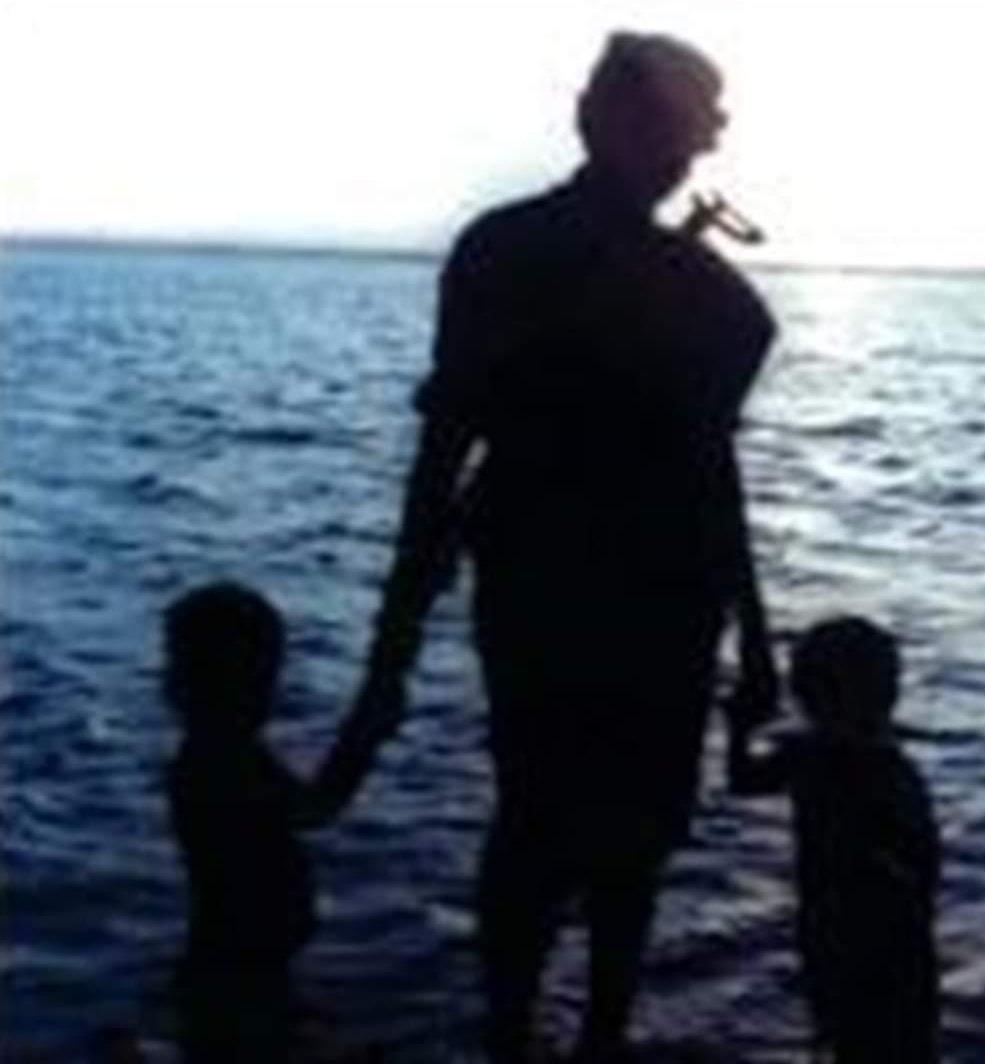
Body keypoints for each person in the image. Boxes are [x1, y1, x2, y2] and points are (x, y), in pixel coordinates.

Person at [362, 31, 779, 1062]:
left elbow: (707, 465)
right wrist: (395, 636)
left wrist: (757, 634)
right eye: (676, 128)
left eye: (689, 133)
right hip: (574, 591)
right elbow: (449, 445)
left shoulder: (683, 289)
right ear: (601, 121)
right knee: (564, 829)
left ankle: (571, 1035)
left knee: (595, 833)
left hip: (627, 593)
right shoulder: (522, 256)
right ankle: (539, 1033)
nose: (685, 152)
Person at [164, 581, 400, 1062]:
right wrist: (364, 733)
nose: (269, 692)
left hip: (245, 962)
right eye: (257, 678)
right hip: (238, 965)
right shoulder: (223, 763)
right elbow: (316, 808)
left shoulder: (227, 753)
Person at [726, 617, 940, 1064]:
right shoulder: (863, 764)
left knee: (859, 1035)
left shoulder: (820, 758)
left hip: (855, 931)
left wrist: (739, 728)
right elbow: (925, 866)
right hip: (855, 931)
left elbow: (743, 779)